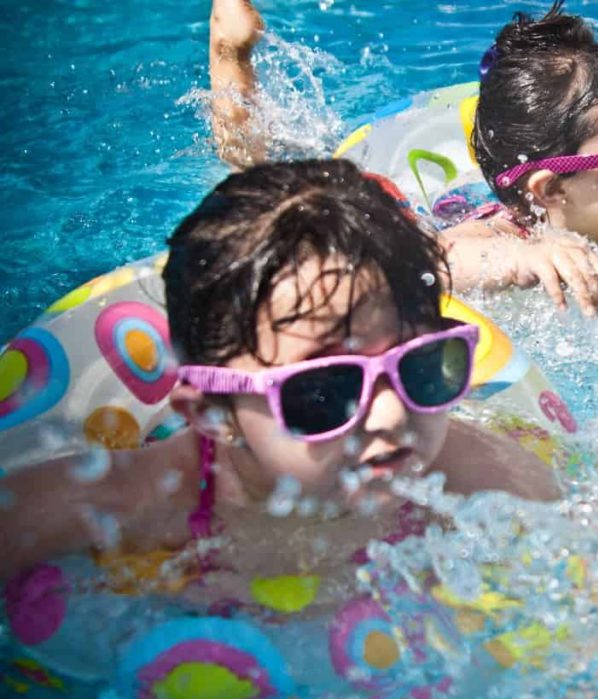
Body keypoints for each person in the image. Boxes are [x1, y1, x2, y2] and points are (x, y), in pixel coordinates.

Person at [0, 159, 563, 596]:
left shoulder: (468, 473)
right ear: (211, 413)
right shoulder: (127, 504)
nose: (392, 415)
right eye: (326, 390)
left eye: (420, 366)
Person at [206, 1, 598, 318]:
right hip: (433, 213)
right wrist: (522, 256)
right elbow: (424, 266)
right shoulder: (499, 231)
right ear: (550, 191)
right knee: (268, 188)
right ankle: (231, 54)